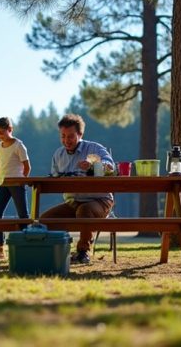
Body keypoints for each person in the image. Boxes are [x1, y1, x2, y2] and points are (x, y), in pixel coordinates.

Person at [41, 113, 114, 264]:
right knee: (44, 220)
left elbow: (110, 165)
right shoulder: (58, 154)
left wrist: (94, 165)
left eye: (71, 136)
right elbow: (54, 176)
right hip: (73, 201)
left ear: (80, 134)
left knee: (84, 210)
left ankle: (83, 252)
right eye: (63, 136)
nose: (66, 140)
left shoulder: (93, 148)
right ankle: (60, 250)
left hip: (100, 200)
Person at [0, 117, 31, 260]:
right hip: (2, 185)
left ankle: (26, 245)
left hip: (17, 185)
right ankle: (0, 248)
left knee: (23, 215)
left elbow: (27, 166)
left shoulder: (19, 146)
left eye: (1, 132)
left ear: (10, 130)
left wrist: (22, 180)